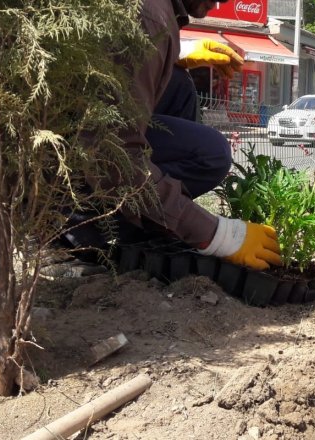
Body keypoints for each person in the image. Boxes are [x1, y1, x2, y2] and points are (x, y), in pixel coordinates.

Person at [67, 0, 281, 271]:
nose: (222, 2)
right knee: (211, 153)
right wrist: (216, 234)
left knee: (178, 84)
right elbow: (112, 152)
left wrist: (177, 53)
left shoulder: (158, 13)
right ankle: (88, 232)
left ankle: (153, 219)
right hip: (66, 166)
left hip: (80, 143)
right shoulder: (150, 16)